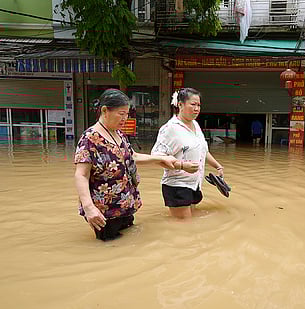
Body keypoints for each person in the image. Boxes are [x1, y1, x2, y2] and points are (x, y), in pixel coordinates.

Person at [74, 88, 179, 241]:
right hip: (105, 212)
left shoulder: (119, 134)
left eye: (127, 114)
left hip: (125, 205)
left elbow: (133, 156)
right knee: (110, 248)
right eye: (121, 114)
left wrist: (161, 160)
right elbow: (81, 175)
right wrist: (89, 208)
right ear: (105, 110)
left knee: (128, 243)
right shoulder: (89, 139)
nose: (125, 119)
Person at [151, 87, 225, 219]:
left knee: (190, 226)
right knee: (184, 228)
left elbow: (203, 150)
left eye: (199, 105)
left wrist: (217, 166)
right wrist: (181, 165)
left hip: (194, 184)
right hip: (177, 186)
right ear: (180, 104)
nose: (197, 109)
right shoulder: (170, 129)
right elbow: (156, 157)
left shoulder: (195, 125)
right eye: (193, 104)